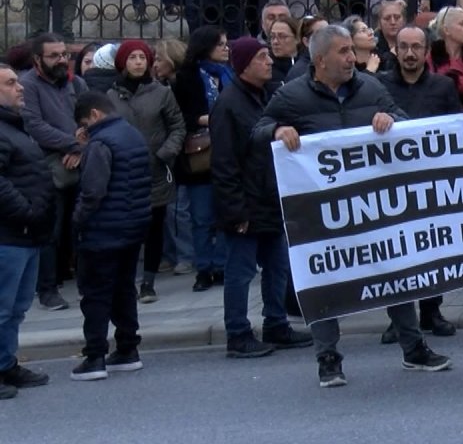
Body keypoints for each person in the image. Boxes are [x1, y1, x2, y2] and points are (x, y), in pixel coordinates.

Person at [253, 24, 451, 387]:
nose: (351, 58)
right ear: (319, 60)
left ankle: (413, 348)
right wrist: (278, 131)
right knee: (326, 280)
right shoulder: (293, 96)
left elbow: (403, 121)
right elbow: (259, 128)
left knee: (396, 273)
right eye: (343, 52)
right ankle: (328, 358)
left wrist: (390, 120)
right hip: (324, 210)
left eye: (351, 51)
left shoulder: (371, 87)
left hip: (375, 206)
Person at [211, 37, 314, 358]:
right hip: (245, 205)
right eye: (260, 57)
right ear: (243, 65)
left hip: (271, 200)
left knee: (277, 266)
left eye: (268, 55)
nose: (269, 61)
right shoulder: (229, 104)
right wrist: (235, 211)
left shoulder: (265, 98)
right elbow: (224, 163)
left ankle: (276, 323)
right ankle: (238, 332)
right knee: (240, 272)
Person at [377, 25, 461, 339]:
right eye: (404, 47)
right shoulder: (380, 86)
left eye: (416, 47)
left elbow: (456, 130)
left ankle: (431, 311)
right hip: (392, 182)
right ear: (395, 50)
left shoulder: (443, 86)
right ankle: (398, 318)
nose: (410, 53)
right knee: (397, 254)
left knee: (431, 251)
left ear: (426, 51)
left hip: (432, 181)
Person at [67, 92, 151, 381]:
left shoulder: (101, 143)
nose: (84, 129)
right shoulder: (131, 134)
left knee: (96, 294)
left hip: (102, 230)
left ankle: (95, 355)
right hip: (132, 226)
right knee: (124, 289)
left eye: (84, 123)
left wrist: (76, 222)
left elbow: (93, 192)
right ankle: (128, 348)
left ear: (94, 115)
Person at [104, 41, 184, 306]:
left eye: (142, 57)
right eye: (132, 57)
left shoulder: (161, 93)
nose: (138, 62)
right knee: (127, 229)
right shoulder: (110, 97)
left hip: (156, 170)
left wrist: (165, 153)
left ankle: (148, 282)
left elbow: (177, 126)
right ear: (123, 62)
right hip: (122, 172)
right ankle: (126, 280)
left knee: (154, 228)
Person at [0, 62, 55, 399]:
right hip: (9, 235)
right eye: (10, 83)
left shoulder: (15, 127)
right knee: (3, 308)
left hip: (27, 235)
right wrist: (28, 211)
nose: (19, 88)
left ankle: (6, 365)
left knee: (17, 308)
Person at [20, 33, 85, 312]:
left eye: (65, 54)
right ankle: (47, 289)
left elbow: (91, 116)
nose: (62, 60)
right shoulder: (28, 86)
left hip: (80, 163)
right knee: (51, 230)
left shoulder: (76, 83)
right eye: (54, 55)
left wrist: (80, 149)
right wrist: (73, 144)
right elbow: (34, 125)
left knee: (80, 226)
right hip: (47, 167)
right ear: (38, 59)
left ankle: (81, 280)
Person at [172, 27, 232, 292]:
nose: (225, 49)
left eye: (226, 44)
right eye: (220, 44)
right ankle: (204, 268)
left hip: (228, 153)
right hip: (200, 156)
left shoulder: (231, 74)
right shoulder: (186, 78)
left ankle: (221, 266)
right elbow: (181, 116)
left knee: (225, 215)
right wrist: (210, 119)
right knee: (201, 216)